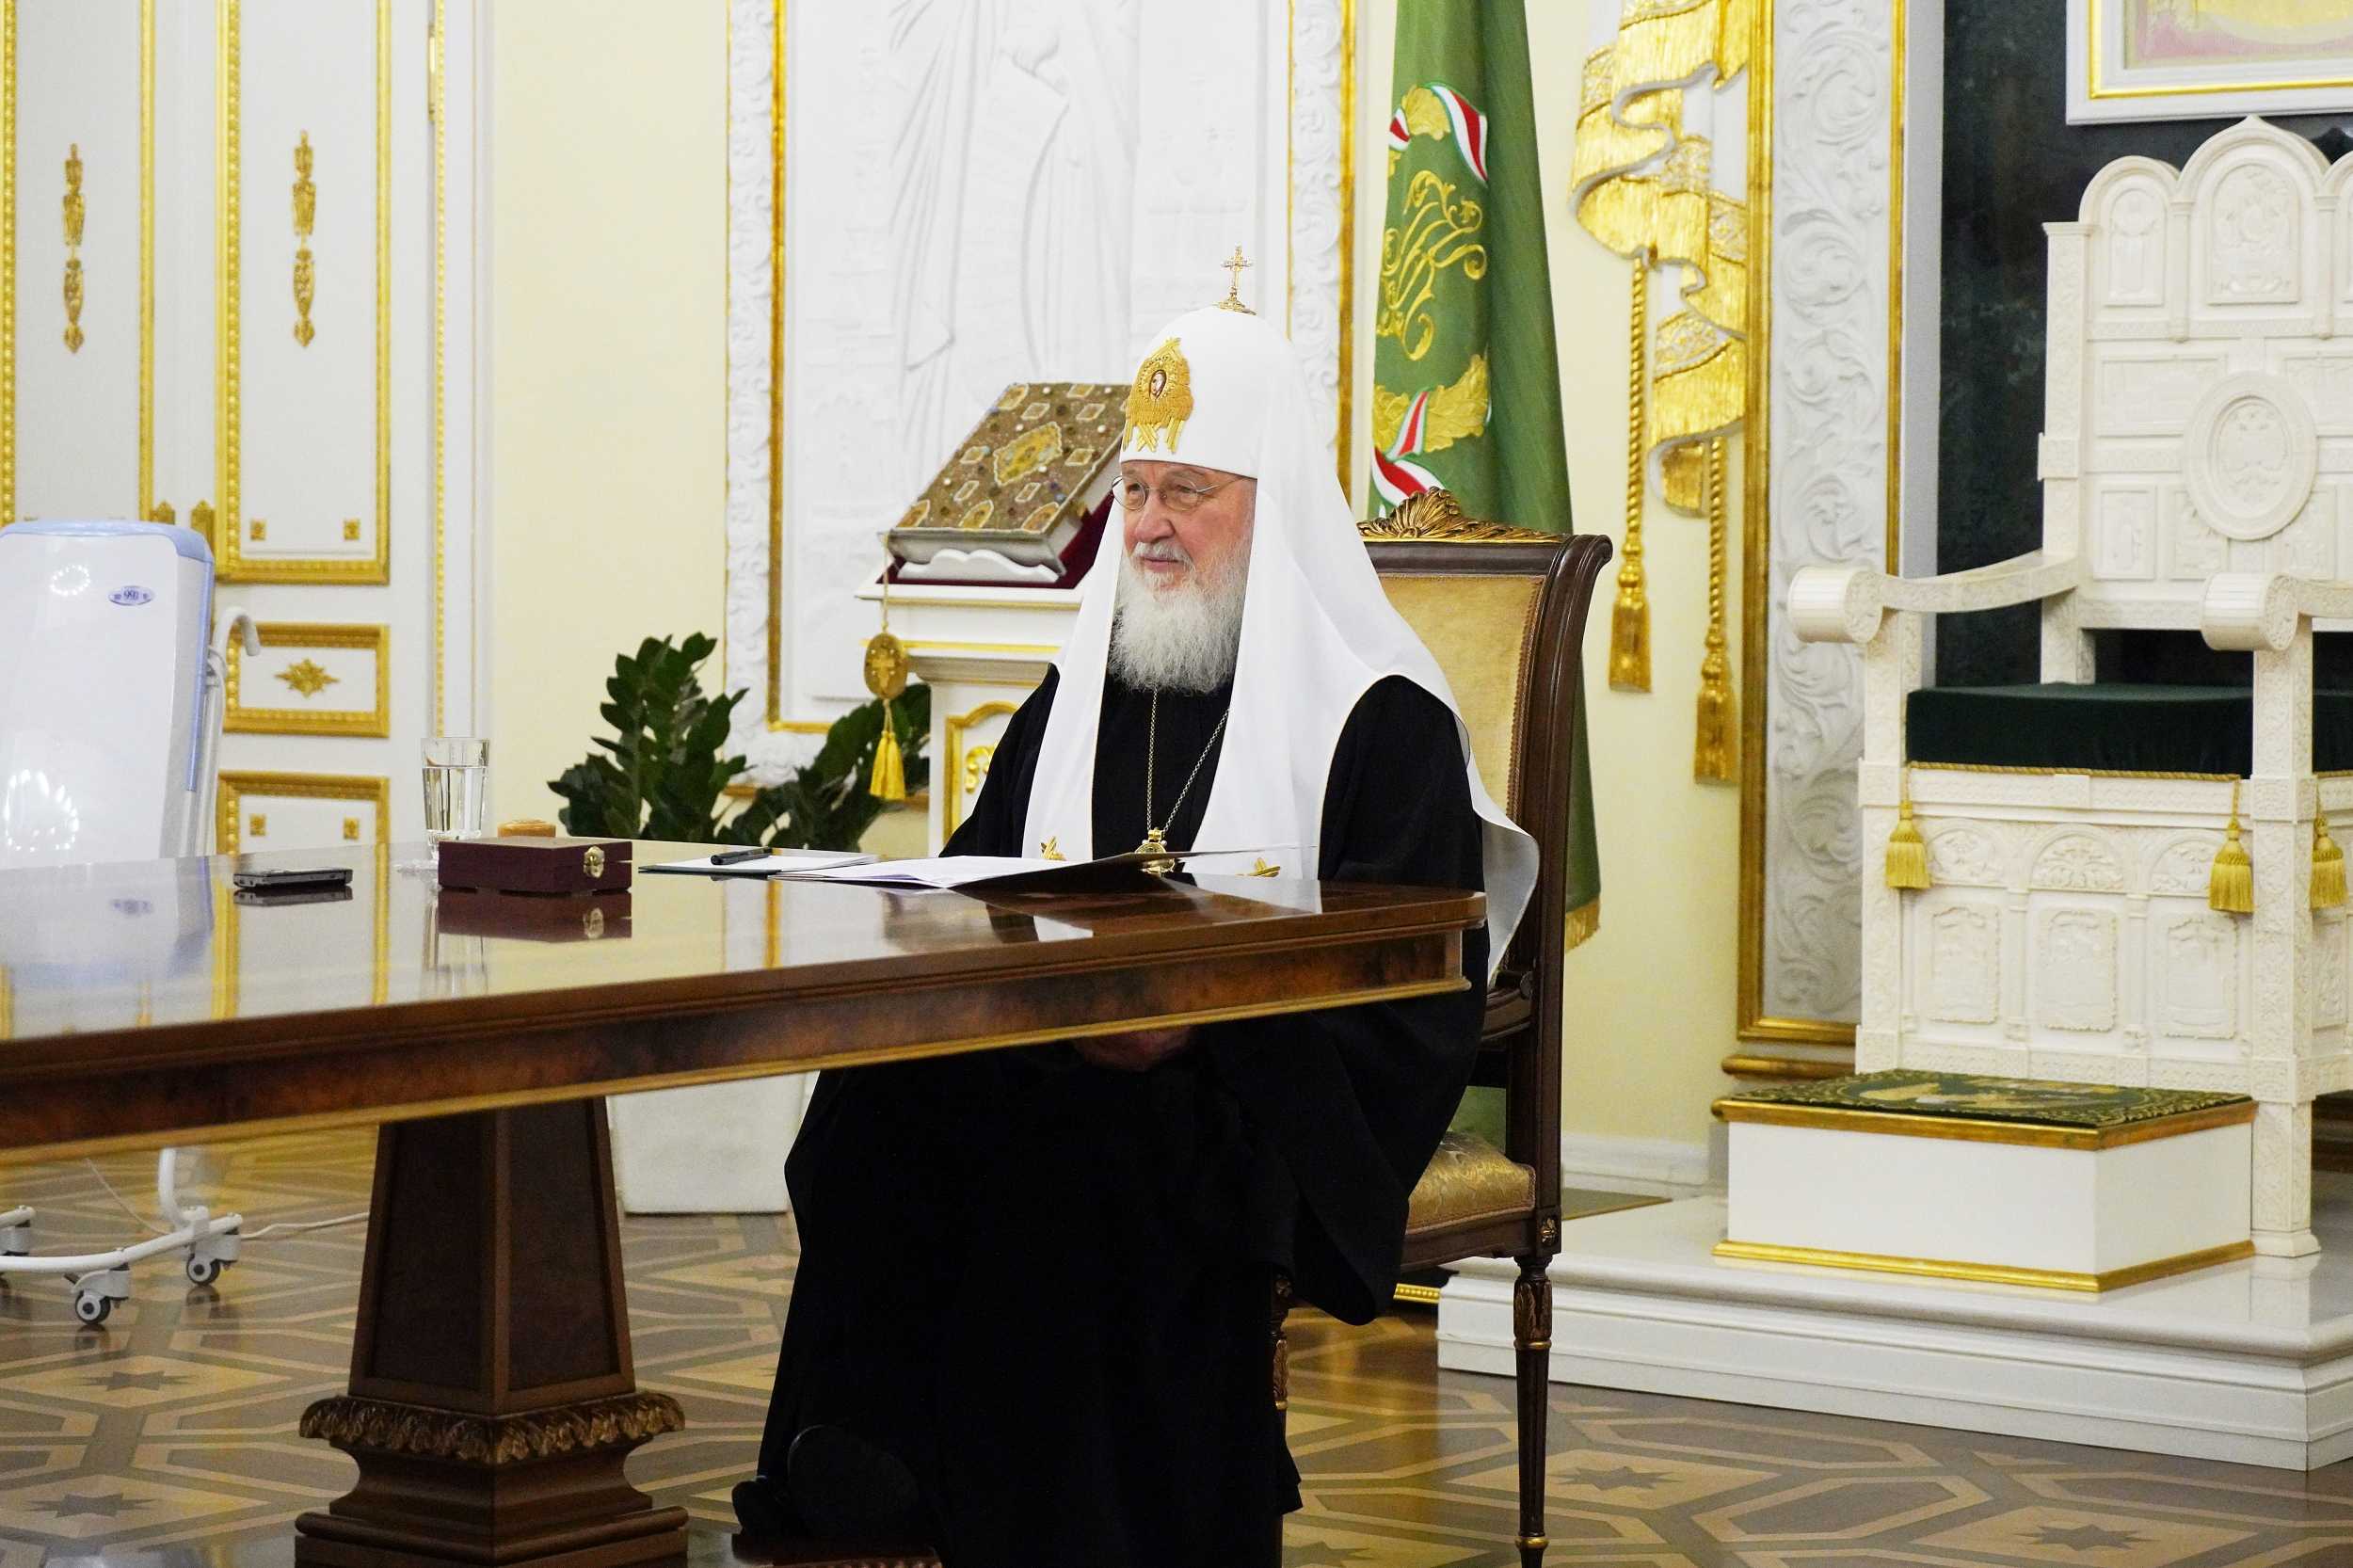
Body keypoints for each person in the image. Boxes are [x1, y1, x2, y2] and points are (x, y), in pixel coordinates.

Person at [734, 293, 1537, 1566]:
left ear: (1268, 505)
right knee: (887, 1089)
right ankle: (870, 1458)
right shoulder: (1079, 692)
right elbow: (979, 874)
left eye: (1187, 493)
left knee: (1100, 1150)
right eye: (1137, 489)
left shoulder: (1380, 719)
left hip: (1258, 1090)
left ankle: (1091, 1528)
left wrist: (1202, 1031)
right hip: (1068, 1043)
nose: (1149, 525)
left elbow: (1414, 978)